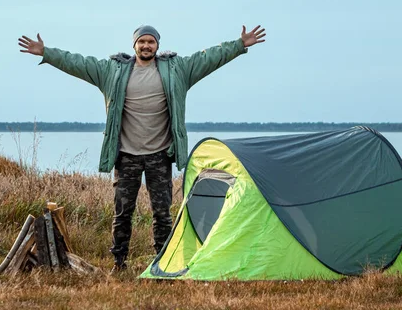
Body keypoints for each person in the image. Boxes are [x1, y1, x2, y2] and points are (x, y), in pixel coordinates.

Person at [18, 24, 266, 271]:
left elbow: (209, 58)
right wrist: (47, 53)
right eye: (142, 42)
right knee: (123, 213)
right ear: (134, 45)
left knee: (163, 213)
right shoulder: (113, 71)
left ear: (157, 45)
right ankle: (119, 262)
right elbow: (79, 63)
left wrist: (239, 44)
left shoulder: (177, 70)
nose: (146, 45)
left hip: (160, 155)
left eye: (151, 42)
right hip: (126, 155)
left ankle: (163, 260)